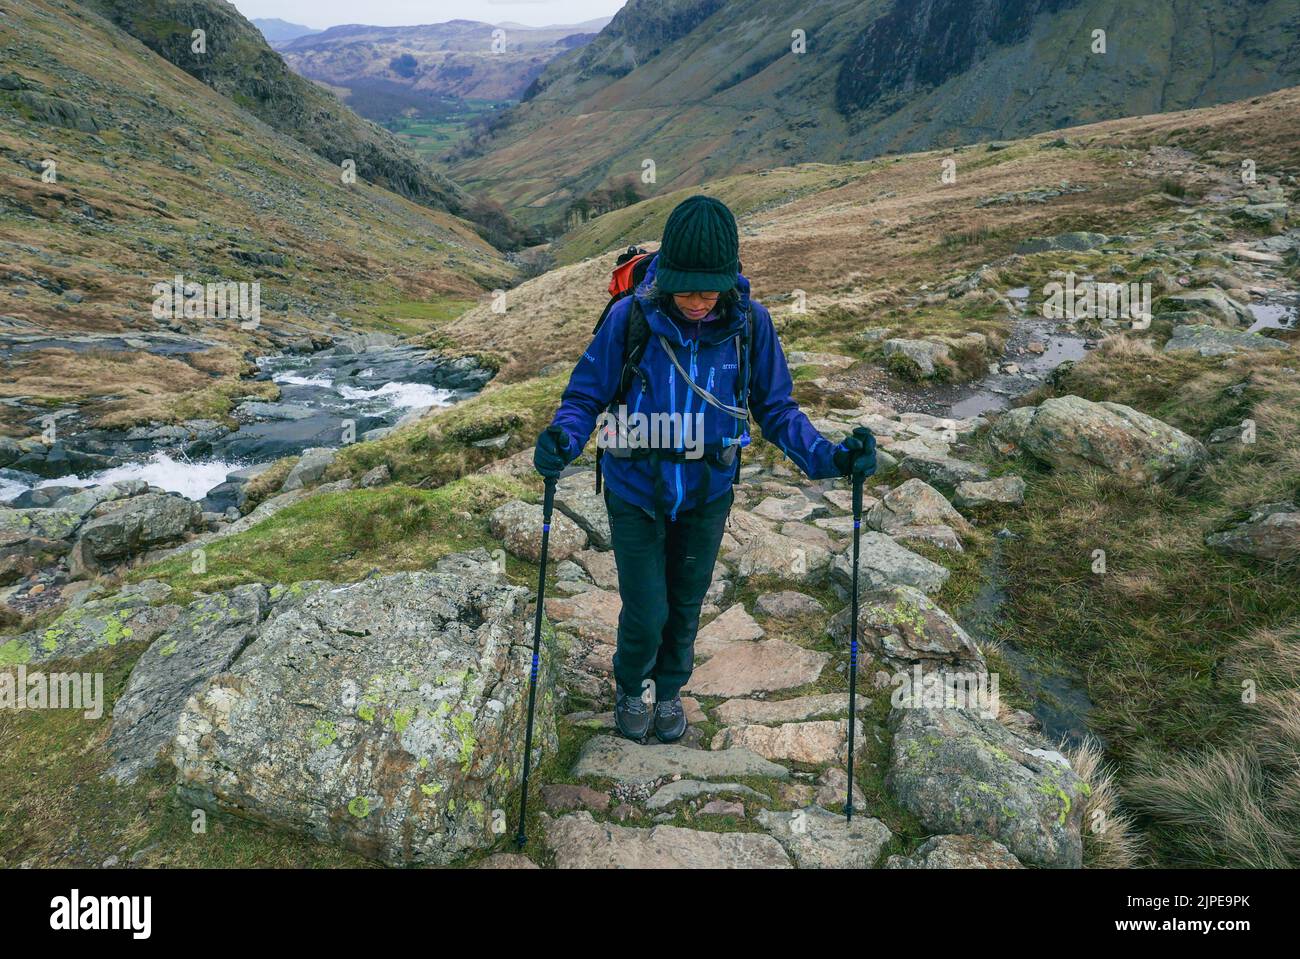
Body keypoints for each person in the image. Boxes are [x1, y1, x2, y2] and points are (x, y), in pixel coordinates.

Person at [533, 195, 876, 743]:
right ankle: (630, 685)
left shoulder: (750, 325)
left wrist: (833, 457)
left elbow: (777, 410)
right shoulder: (629, 320)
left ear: (729, 277)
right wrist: (563, 439)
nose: (697, 301)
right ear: (667, 277)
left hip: (707, 493)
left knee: (686, 606)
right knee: (647, 609)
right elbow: (584, 396)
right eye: (686, 288)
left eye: (708, 288)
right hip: (634, 490)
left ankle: (668, 692)